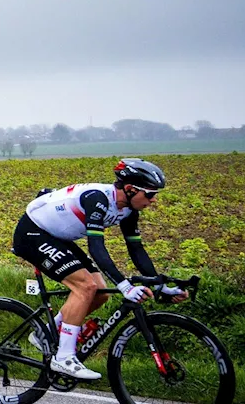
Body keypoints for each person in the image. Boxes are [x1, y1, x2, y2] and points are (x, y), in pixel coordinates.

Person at [12, 158, 186, 381]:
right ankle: (63, 358)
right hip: (33, 232)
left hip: (58, 236)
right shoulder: (98, 200)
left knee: (100, 292)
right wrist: (124, 286)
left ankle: (46, 333)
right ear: (131, 190)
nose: (153, 201)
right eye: (150, 194)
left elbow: (136, 250)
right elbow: (96, 247)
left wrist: (161, 286)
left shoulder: (129, 211)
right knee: (85, 286)